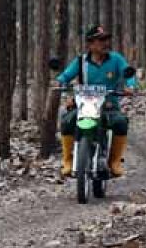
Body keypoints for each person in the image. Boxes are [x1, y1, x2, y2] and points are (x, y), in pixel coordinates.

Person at [55, 25, 137, 178]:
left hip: (109, 106)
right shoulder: (81, 62)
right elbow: (65, 76)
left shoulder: (116, 59)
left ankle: (114, 161)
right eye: (101, 40)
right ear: (90, 44)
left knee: (120, 122)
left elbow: (128, 73)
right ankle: (67, 161)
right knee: (67, 121)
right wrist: (60, 83)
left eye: (106, 39)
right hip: (84, 106)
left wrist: (131, 86)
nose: (105, 43)